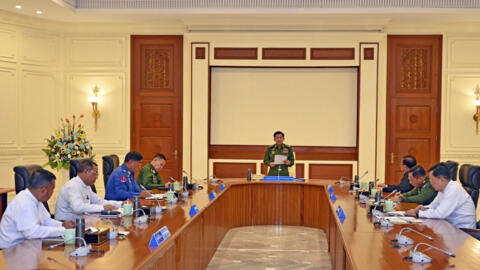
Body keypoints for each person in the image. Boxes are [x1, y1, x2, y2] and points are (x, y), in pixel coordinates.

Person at [0, 169, 75, 248]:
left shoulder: (35, 199)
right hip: (11, 250)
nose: (52, 192)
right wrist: (63, 230)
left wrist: (62, 224)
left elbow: (46, 221)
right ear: (43, 190)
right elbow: (33, 232)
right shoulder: (24, 202)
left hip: (27, 245)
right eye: (52, 189)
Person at [405, 164, 477, 229]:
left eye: (432, 180)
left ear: (442, 180)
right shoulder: (443, 188)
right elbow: (434, 205)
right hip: (451, 227)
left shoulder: (454, 190)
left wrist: (417, 213)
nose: (430, 183)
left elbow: (439, 214)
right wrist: (423, 208)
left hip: (464, 231)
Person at [55, 159, 122, 220]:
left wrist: (121, 204)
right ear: (86, 171)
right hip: (67, 225)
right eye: (95, 174)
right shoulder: (72, 185)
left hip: (81, 221)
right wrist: (103, 208)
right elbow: (78, 208)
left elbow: (99, 201)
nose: (96, 177)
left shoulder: (86, 186)